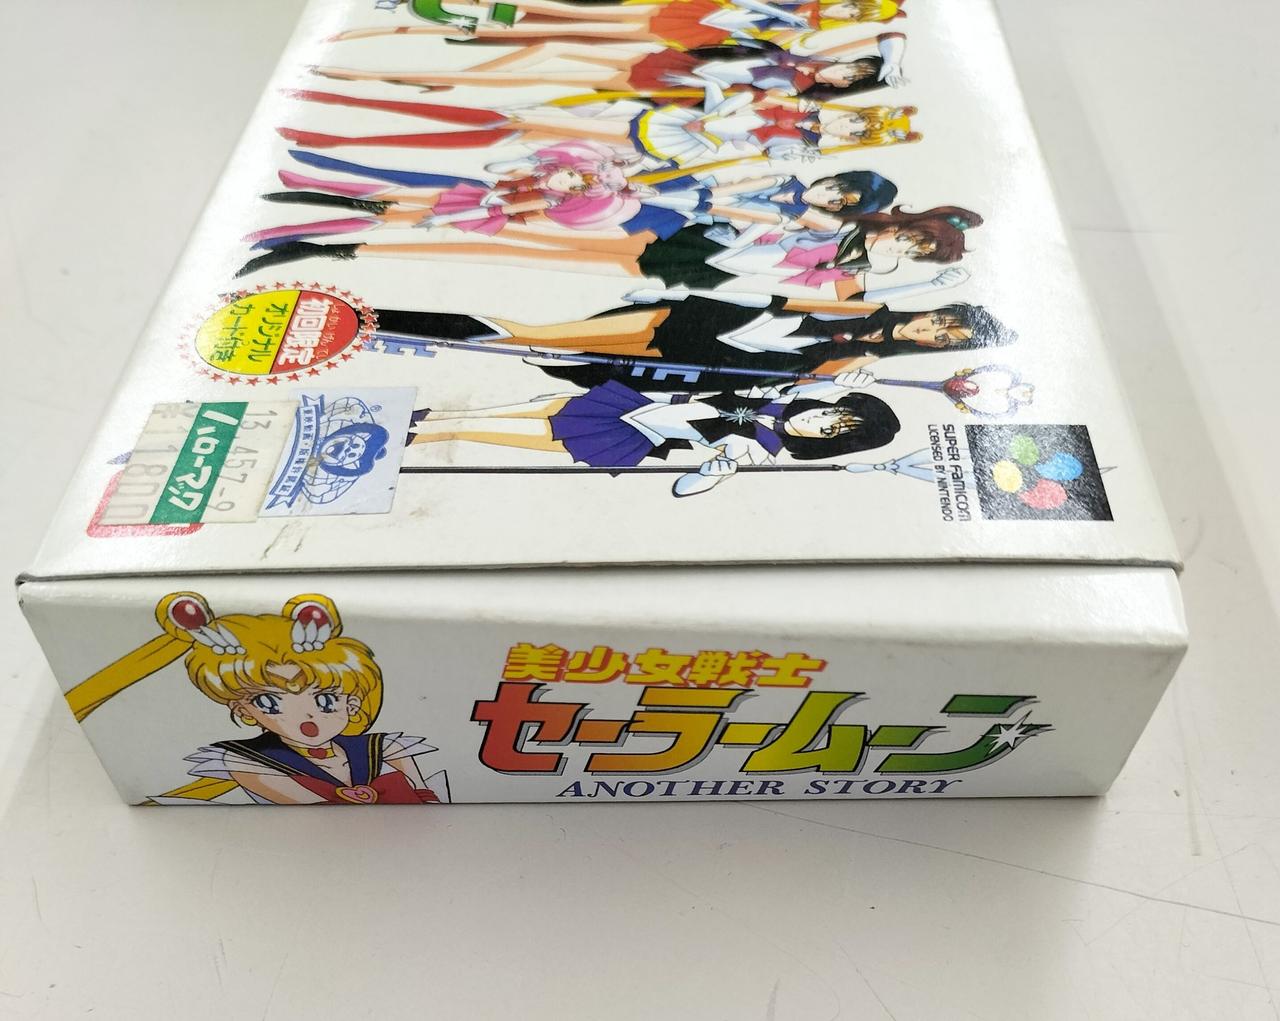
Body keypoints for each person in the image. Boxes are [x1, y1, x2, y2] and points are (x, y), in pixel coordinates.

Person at [63, 592, 449, 805]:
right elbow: (305, 807)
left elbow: (426, 795)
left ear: (351, 702)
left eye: (325, 700)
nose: (307, 718)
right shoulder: (250, 762)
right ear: (245, 711)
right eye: (270, 703)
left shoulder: (384, 749)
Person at [373, 292, 1017, 392]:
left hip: (692, 359)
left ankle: (383, 330)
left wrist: (844, 375)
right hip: (680, 324)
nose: (929, 331)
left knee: (549, 359)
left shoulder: (864, 360)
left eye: (941, 340)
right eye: (940, 320)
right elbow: (776, 300)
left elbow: (793, 378)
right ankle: (378, 318)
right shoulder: (864, 303)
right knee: (532, 336)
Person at [405, 378, 901, 496]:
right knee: (537, 405)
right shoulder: (776, 397)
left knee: (529, 434)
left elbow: (686, 486)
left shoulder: (760, 451)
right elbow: (810, 388)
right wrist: (844, 385)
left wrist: (711, 474)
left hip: (637, 436)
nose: (815, 423)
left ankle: (428, 437)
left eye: (829, 431)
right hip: (640, 403)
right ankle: (435, 415)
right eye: (828, 414)